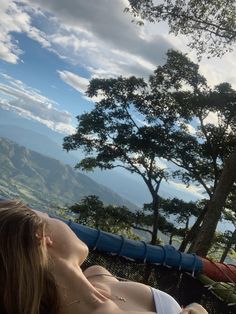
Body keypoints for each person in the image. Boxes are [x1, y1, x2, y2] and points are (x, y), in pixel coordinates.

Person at [0, 199, 208, 314]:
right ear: (42, 237)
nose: (60, 221)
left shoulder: (97, 274)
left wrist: (195, 309)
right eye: (49, 217)